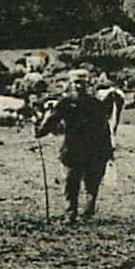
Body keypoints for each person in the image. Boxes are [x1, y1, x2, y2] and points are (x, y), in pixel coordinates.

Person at [34, 70, 116, 224]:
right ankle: (74, 214)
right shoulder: (72, 103)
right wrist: (40, 130)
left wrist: (108, 149)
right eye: (76, 82)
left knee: (86, 183)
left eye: (82, 83)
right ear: (71, 84)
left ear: (87, 84)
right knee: (75, 184)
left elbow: (104, 127)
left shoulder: (88, 103)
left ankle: (83, 212)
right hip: (79, 150)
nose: (79, 86)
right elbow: (51, 121)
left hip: (85, 150)